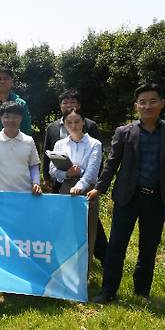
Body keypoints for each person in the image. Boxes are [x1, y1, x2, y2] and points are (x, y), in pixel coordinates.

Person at [88, 83, 165, 303]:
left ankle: (142, 291)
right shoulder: (124, 132)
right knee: (116, 245)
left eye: (152, 101)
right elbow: (111, 164)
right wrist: (99, 187)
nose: (147, 106)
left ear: (161, 103)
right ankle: (108, 291)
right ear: (136, 106)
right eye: (142, 102)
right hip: (128, 196)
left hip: (157, 198)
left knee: (148, 247)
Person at [43, 89, 108, 264]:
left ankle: (87, 268)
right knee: (64, 231)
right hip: (64, 188)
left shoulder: (94, 142)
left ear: (83, 122)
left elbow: (93, 169)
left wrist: (80, 185)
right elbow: (50, 166)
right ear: (64, 123)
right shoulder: (57, 139)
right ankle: (64, 266)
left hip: (86, 191)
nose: (73, 125)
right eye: (69, 122)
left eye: (77, 121)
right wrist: (65, 174)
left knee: (88, 230)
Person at [0, 101, 42, 195]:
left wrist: (36, 182)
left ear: (21, 118)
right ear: (1, 118)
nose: (11, 120)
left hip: (24, 194)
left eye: (15, 117)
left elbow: (34, 165)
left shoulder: (29, 141)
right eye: (7, 117)